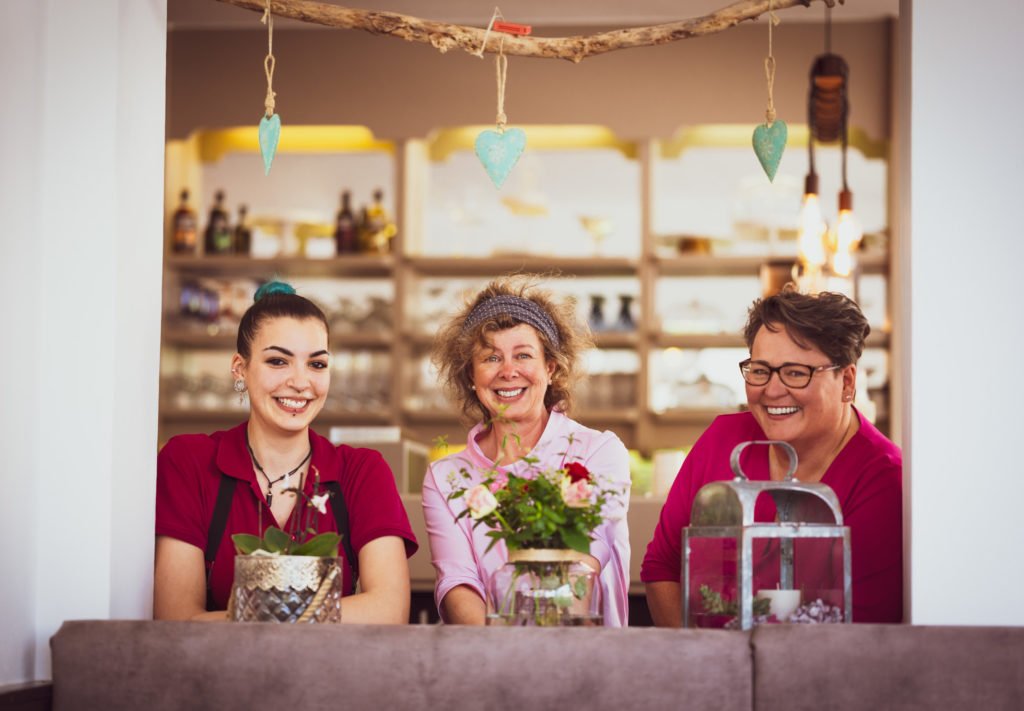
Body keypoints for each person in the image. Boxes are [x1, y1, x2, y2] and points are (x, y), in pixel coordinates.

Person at [155, 281, 417, 622]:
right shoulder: (189, 461)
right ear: (239, 368)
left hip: (332, 674)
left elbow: (389, 610)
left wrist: (254, 615)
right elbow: (175, 619)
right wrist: (313, 614)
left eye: (317, 365)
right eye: (278, 361)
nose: (300, 381)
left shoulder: (362, 470)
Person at [642, 285, 902, 625]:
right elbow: (664, 567)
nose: (773, 390)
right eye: (760, 370)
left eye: (796, 372)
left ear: (847, 382)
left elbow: (864, 627)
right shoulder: (722, 440)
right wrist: (701, 663)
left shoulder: (884, 478)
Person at [422, 277, 631, 626]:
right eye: (491, 357)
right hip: (487, 660)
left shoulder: (599, 452)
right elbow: (458, 582)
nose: (508, 371)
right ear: (471, 375)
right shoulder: (445, 478)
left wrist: (541, 651)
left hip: (585, 655)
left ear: (550, 367)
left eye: (523, 355)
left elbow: (587, 559)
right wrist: (505, 655)